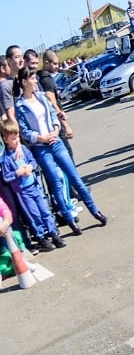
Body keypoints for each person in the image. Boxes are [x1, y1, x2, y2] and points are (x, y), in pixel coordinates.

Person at [14, 68, 107, 233]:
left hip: (55, 142)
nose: (35, 82)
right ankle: (70, 219)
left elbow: (52, 114)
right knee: (56, 183)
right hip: (41, 147)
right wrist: (40, 137)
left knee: (74, 178)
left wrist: (56, 130)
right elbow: (24, 131)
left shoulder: (41, 97)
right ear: (23, 82)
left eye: (36, 79)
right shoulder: (20, 105)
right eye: (32, 79)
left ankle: (95, 211)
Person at [1, 119, 66, 250]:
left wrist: (30, 166)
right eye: (13, 138)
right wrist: (17, 173)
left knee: (44, 210)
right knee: (33, 214)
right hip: (22, 191)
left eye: (17, 136)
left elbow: (33, 161)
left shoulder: (23, 149)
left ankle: (53, 233)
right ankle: (41, 237)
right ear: (5, 139)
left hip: (34, 186)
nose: (16, 140)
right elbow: (6, 176)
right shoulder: (6, 158)